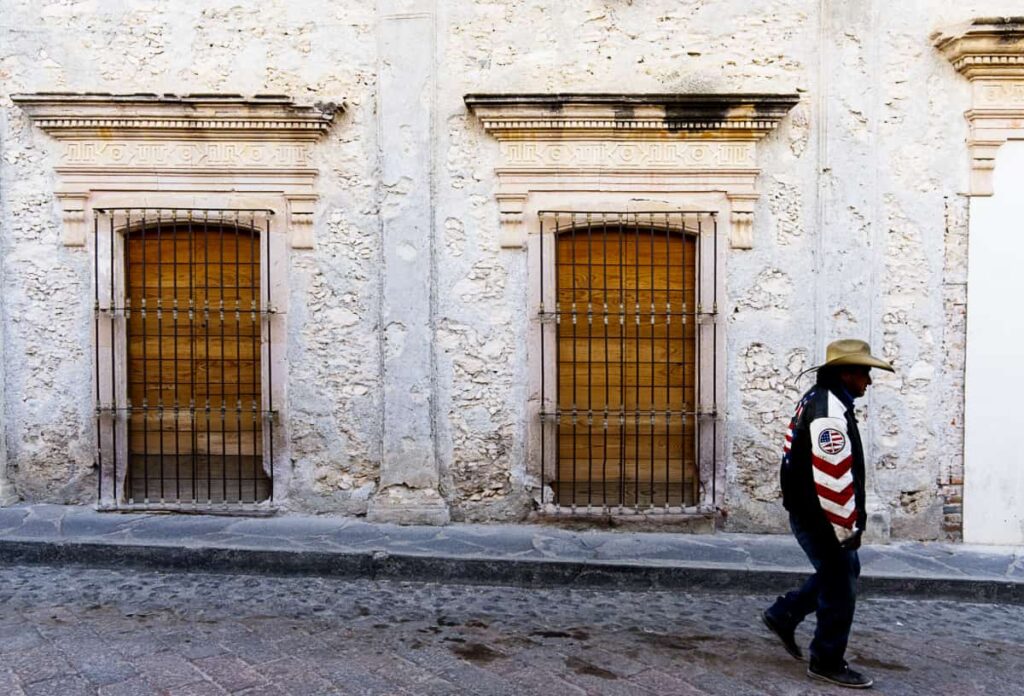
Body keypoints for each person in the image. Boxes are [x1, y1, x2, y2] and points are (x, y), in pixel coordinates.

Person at [761, 339, 894, 689]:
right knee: (840, 583)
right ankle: (826, 660)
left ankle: (784, 614)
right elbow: (832, 478)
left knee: (841, 571)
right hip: (820, 516)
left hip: (810, 511)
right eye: (864, 372)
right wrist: (846, 528)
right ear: (846, 373)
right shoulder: (830, 412)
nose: (869, 380)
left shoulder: (822, 398)